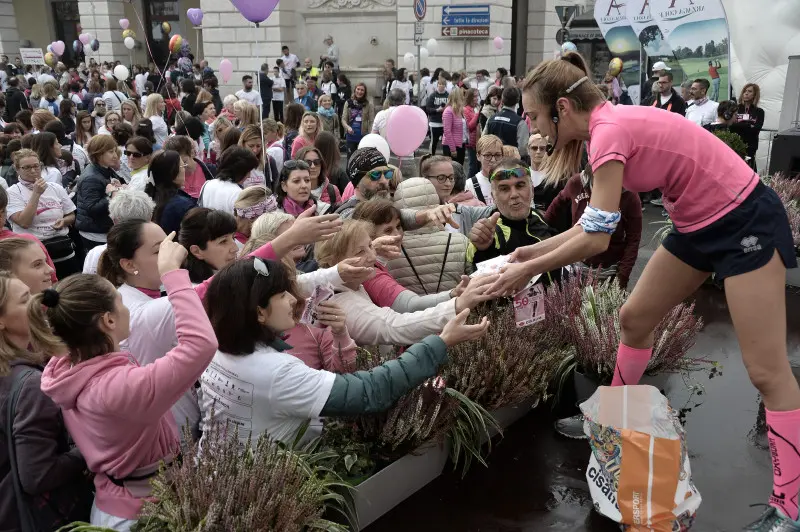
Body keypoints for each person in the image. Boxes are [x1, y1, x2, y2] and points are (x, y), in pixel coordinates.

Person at [489, 53, 800, 531]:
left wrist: (521, 269)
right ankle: (609, 421)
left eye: (533, 114)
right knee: (635, 318)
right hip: (697, 224)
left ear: (564, 107)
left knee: (767, 371)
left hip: (744, 222)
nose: (529, 123)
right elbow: (592, 226)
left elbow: (595, 241)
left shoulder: (608, 134)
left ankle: (791, 508)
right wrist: (527, 259)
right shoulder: (602, 131)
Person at [35, 236, 217, 530]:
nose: (128, 309)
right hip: (139, 514)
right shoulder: (118, 388)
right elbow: (200, 345)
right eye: (122, 303)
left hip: (115, 500)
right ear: (108, 321)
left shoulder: (68, 366)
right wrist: (172, 273)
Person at [0, 272, 92, 531]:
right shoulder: (29, 385)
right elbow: (37, 475)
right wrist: (87, 450)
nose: (37, 303)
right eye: (24, 300)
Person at [544, 167, 642, 289]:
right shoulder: (576, 183)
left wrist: (622, 277)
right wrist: (540, 232)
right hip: (575, 266)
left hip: (608, 271)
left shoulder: (629, 194)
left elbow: (634, 239)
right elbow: (556, 206)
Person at [464, 158, 557, 269]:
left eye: (520, 185)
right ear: (493, 197)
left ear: (532, 190)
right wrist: (481, 249)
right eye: (504, 189)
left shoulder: (541, 217)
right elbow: (475, 269)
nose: (514, 194)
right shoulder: (490, 231)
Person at [388, 180, 472, 295]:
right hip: (454, 307)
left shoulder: (389, 249)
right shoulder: (461, 241)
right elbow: (471, 280)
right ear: (435, 200)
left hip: (408, 310)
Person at [7, 149, 78, 278]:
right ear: (17, 169)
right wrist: (36, 194)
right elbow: (24, 222)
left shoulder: (55, 187)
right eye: (27, 168)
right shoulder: (13, 192)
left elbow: (71, 215)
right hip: (33, 251)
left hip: (62, 248)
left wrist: (65, 221)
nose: (33, 171)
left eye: (36, 166)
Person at [82, 189, 156, 275]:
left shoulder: (96, 254)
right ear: (150, 217)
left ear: (114, 221)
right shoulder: (162, 253)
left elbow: (89, 285)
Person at [75, 135, 123, 251]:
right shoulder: (91, 178)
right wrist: (112, 195)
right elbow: (92, 208)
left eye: (115, 151)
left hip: (103, 228)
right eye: (111, 152)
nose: (115, 156)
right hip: (95, 233)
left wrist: (120, 188)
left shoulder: (105, 169)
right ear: (98, 153)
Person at [179, 207, 239, 284]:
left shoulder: (230, 276)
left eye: (233, 238)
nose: (235, 248)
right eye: (223, 241)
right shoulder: (193, 292)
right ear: (197, 251)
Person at [145, 150, 195, 235]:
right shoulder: (183, 205)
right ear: (173, 174)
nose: (184, 170)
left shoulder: (149, 197)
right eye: (183, 166)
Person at [198, 146, 259, 215]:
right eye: (248, 171)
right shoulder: (238, 194)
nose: (249, 176)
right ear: (241, 171)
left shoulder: (207, 184)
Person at [486, 87, 529, 155]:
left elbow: (484, 141)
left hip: (493, 160)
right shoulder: (520, 123)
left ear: (502, 99)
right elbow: (523, 149)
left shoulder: (491, 119)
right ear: (518, 100)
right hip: (511, 162)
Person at [464, 134, 504, 206]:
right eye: (487, 155)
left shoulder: (509, 180)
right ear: (478, 156)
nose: (493, 160)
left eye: (497, 155)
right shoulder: (470, 185)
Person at [238, 124, 278, 189]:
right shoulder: (236, 162)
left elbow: (275, 187)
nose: (255, 150)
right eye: (251, 146)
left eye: (258, 146)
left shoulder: (269, 161)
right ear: (243, 144)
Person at [736, 83, 765, 170]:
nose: (746, 93)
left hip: (750, 146)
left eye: (749, 91)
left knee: (749, 169)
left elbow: (756, 129)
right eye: (745, 91)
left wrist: (740, 124)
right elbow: (731, 126)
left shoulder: (759, 111)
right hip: (735, 144)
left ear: (755, 95)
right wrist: (749, 125)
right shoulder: (735, 108)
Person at [342, 82, 374, 157]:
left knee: (361, 159)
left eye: (362, 90)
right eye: (358, 89)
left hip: (363, 137)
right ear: (355, 90)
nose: (359, 91)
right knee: (350, 159)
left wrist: (370, 135)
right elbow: (343, 119)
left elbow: (371, 121)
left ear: (365, 92)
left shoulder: (368, 104)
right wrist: (347, 127)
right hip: (351, 136)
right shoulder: (348, 103)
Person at [425, 77, 449, 156]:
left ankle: (446, 157)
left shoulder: (448, 95)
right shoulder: (433, 95)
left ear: (445, 86)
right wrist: (436, 110)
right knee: (433, 142)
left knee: (446, 142)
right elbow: (428, 109)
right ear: (437, 85)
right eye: (439, 84)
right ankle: (431, 157)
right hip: (434, 122)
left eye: (443, 84)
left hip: (445, 123)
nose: (441, 86)